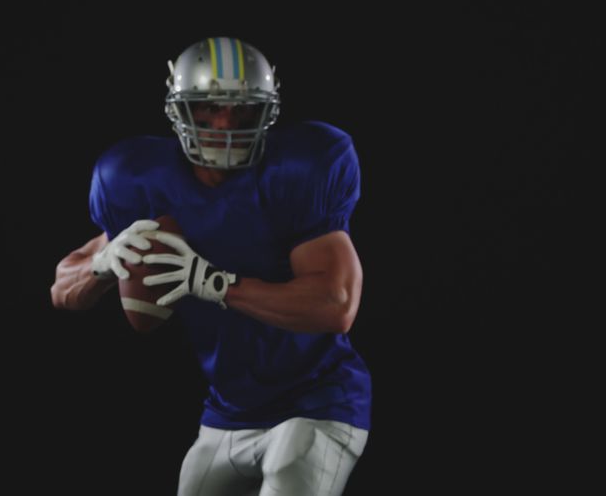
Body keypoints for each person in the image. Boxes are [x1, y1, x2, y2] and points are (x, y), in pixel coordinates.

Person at [51, 37, 371, 495]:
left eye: (241, 110)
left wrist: (216, 283)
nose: (224, 124)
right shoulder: (141, 180)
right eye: (208, 108)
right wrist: (101, 263)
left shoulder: (299, 170)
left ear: (268, 112)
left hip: (318, 399)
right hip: (227, 411)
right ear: (178, 110)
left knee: (288, 478)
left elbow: (334, 303)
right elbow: (61, 289)